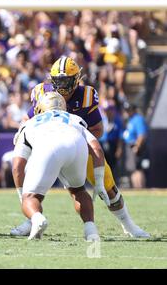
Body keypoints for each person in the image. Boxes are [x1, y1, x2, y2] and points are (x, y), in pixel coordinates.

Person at [11, 56, 150, 238]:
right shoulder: (41, 92)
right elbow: (28, 119)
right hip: (46, 143)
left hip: (79, 146)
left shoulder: (85, 96)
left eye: (66, 81)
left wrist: (77, 134)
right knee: (34, 186)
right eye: (58, 81)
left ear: (77, 79)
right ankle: (32, 220)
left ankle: (128, 225)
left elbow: (98, 129)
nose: (62, 86)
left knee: (108, 187)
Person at [12, 92, 109, 240]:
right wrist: (99, 182)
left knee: (31, 196)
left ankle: (37, 219)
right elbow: (96, 148)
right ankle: (90, 228)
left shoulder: (30, 123)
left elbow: (17, 165)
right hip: (76, 145)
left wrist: (23, 196)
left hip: (48, 146)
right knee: (78, 190)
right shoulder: (75, 118)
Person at [122, 103, 148, 189]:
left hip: (134, 146)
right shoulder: (130, 120)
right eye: (126, 110)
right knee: (133, 169)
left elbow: (141, 135)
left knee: (137, 169)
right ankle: (136, 188)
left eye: (129, 110)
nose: (127, 112)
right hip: (130, 146)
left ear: (134, 110)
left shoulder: (138, 119)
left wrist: (137, 146)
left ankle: (139, 188)